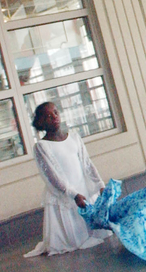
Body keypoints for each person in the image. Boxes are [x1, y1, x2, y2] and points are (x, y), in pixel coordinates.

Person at [25, 102, 111, 257]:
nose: (54, 117)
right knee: (74, 236)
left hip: (83, 187)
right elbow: (51, 176)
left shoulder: (74, 137)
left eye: (55, 113)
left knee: (95, 228)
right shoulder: (42, 146)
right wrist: (73, 194)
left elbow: (87, 164)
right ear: (41, 122)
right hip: (66, 193)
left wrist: (99, 184)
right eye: (48, 116)